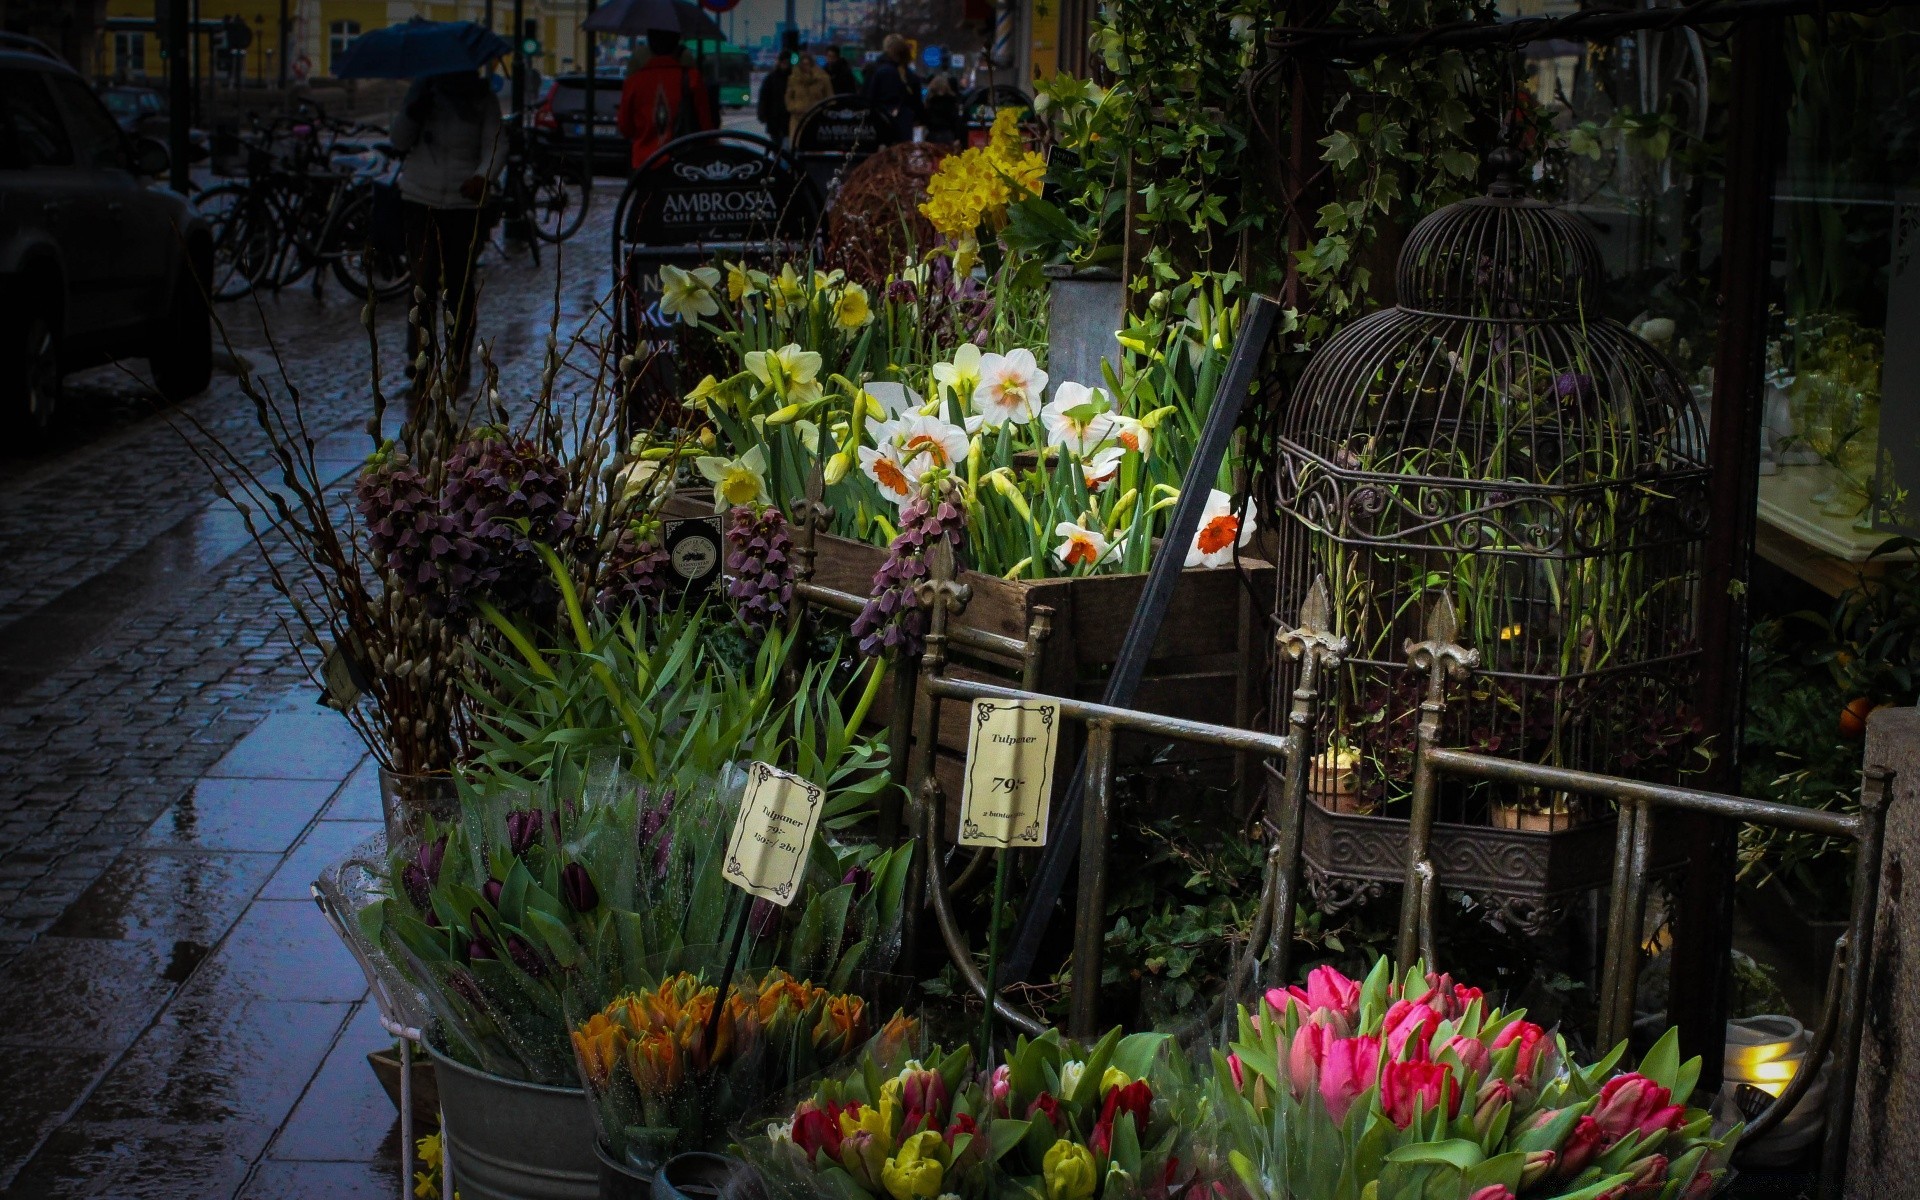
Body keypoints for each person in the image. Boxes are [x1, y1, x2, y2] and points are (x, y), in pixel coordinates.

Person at [390, 68, 505, 394]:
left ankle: (459, 356)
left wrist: (483, 176)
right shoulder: (421, 90)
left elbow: (495, 143)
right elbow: (398, 139)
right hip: (419, 197)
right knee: (421, 283)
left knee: (458, 283)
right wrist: (415, 109)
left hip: (463, 203)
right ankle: (419, 357)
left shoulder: (482, 96)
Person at [617, 28, 712, 170]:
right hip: (684, 165)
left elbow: (625, 128)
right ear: (676, 43)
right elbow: (706, 127)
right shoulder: (692, 79)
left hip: (644, 165)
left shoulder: (634, 82)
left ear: (650, 44)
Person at [861, 34, 924, 144]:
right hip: (903, 126)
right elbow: (917, 103)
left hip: (878, 124)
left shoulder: (875, 70)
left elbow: (867, 98)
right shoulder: (909, 75)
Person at [757, 31, 799, 147]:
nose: (785, 64)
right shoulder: (771, 78)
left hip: (787, 117)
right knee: (777, 146)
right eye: (783, 62)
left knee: (786, 147)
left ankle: (782, 164)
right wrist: (762, 114)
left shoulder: (793, 77)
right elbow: (764, 97)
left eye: (787, 62)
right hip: (774, 118)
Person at [784, 48, 833, 142]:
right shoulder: (794, 79)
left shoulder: (822, 78)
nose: (806, 66)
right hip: (798, 117)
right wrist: (793, 108)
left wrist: (825, 112)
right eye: (803, 64)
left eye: (808, 64)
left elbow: (830, 97)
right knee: (797, 145)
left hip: (816, 118)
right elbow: (788, 96)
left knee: (815, 147)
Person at [923, 71, 963, 145]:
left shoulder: (929, 102)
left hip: (932, 135)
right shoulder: (951, 101)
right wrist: (957, 137)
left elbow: (925, 120)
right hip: (947, 135)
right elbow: (956, 121)